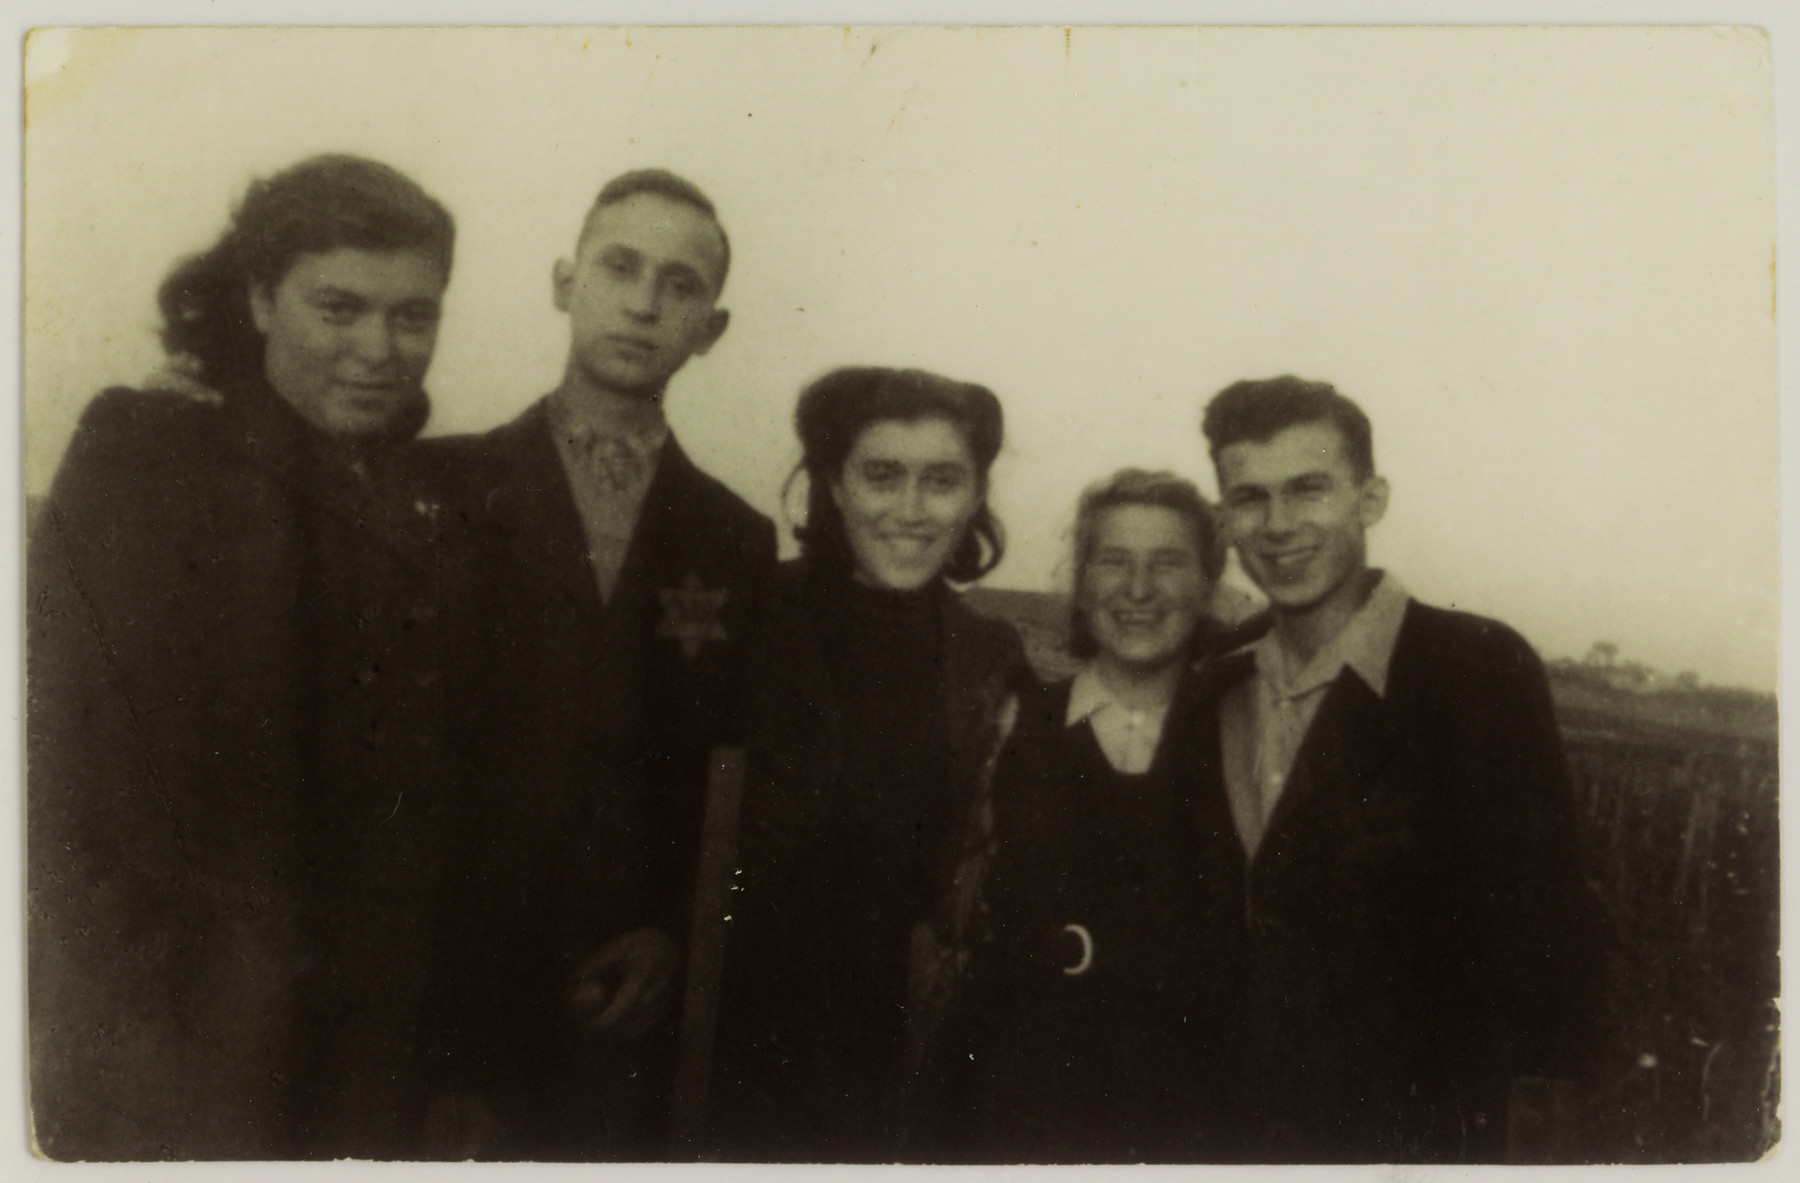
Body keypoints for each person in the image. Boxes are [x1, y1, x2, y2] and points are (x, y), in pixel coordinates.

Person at [27, 154, 466, 1159]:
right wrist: (153, 1038)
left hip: (365, 1048)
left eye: (414, 316)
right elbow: (70, 783)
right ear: (262, 297)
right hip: (193, 1049)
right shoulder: (152, 446)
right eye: (338, 308)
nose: (378, 349)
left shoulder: (422, 490)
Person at [417, 169, 777, 1159]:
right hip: (428, 981)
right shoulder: (435, 486)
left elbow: (735, 784)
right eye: (620, 266)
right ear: (564, 281)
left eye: (681, 283)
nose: (645, 301)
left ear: (713, 326)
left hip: (615, 1000)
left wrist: (676, 930)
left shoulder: (735, 539)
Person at [1192, 375, 1607, 1163]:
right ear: (1223, 519)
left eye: (1309, 490)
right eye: (1249, 498)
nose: (1278, 526)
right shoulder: (1214, 672)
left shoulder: (1478, 668)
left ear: (1371, 498)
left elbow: (1546, 929)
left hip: (1413, 1132)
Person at [708, 366, 1030, 1163]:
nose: (913, 511)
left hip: (892, 1056)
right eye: (882, 475)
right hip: (723, 1037)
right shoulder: (747, 617)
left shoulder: (991, 656)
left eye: (942, 480)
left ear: (975, 494)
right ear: (834, 485)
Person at [954, 469, 1246, 1163]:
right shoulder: (1009, 721)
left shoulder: (1246, 732)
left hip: (1198, 1117)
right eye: (1113, 560)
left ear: (1209, 584)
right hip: (1020, 1103)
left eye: (1169, 562)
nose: (1138, 589)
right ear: (1080, 581)